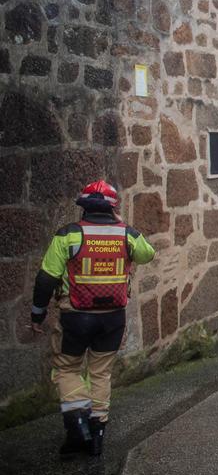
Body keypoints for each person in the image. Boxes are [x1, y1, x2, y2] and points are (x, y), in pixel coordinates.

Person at [28, 180, 155, 458]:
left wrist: (37, 314)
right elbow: (148, 253)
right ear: (113, 208)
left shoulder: (68, 235)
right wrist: (123, 225)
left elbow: (46, 277)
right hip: (112, 319)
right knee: (100, 373)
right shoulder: (126, 235)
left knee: (67, 370)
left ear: (83, 207)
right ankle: (97, 436)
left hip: (75, 317)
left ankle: (79, 428)